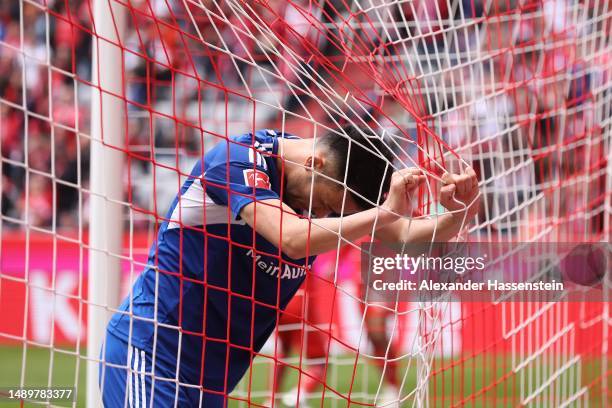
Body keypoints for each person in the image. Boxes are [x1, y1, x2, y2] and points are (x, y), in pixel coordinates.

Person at [99, 126, 480, 407]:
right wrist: (383, 214)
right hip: (151, 356)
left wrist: (463, 210)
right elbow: (293, 238)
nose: (328, 216)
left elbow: (407, 234)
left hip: (209, 380)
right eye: (331, 204)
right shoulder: (237, 161)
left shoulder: (314, 183)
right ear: (315, 162)